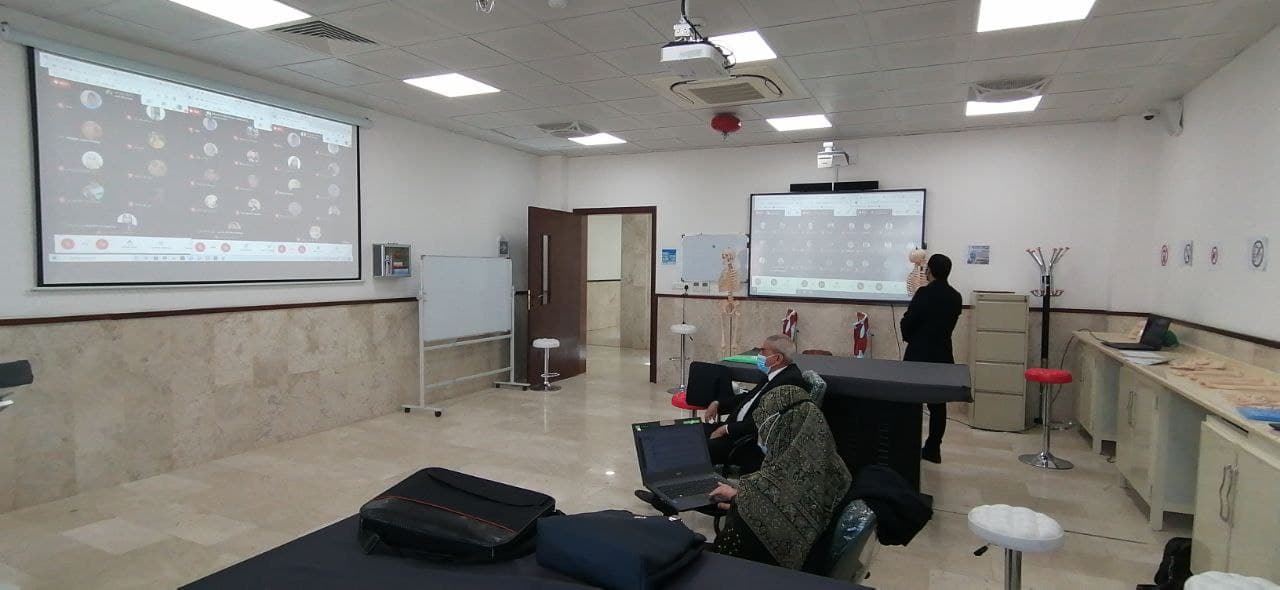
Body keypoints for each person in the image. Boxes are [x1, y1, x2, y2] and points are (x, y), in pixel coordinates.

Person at [634, 334, 807, 512]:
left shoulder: (789, 382)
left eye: (763, 351)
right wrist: (719, 403)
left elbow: (766, 421)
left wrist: (727, 429)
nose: (759, 355)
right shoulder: (774, 374)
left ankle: (670, 502)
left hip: (744, 440)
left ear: (777, 358)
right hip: (733, 429)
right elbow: (748, 398)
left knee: (689, 451)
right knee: (679, 433)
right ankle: (663, 493)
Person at [708, 385, 852, 569]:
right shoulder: (838, 471)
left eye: (763, 429)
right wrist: (741, 496)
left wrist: (744, 504)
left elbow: (724, 556)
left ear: (779, 430)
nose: (761, 437)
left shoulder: (760, 497)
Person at [900, 253, 963, 464]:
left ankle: (908, 446)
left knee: (911, 402)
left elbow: (909, 323)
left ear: (930, 271)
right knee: (938, 406)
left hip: (918, 355)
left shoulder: (923, 294)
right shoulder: (956, 297)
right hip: (942, 355)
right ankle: (933, 449)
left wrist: (909, 334)